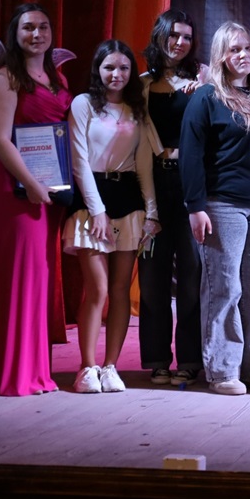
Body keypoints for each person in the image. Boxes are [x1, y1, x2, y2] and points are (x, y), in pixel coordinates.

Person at [180, 22, 250, 396]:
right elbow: (190, 155)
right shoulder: (207, 98)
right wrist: (195, 206)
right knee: (224, 287)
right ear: (221, 56)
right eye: (233, 49)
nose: (242, 54)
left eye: (247, 48)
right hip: (221, 205)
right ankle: (223, 370)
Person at [0, 3, 73, 396]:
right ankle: (11, 373)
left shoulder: (56, 77)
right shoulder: (6, 77)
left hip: (48, 189)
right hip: (16, 189)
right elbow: (0, 139)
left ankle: (33, 370)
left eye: (43, 27)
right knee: (17, 277)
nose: (37, 34)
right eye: (28, 27)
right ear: (15, 33)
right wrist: (31, 184)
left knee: (37, 278)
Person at [62, 40, 158, 394]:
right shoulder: (83, 103)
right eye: (109, 67)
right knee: (98, 288)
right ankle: (86, 367)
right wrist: (97, 210)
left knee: (119, 290)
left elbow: (144, 164)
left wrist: (152, 212)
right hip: (91, 200)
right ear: (98, 70)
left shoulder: (137, 109)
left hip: (128, 200)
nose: (117, 74)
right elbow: (79, 161)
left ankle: (110, 366)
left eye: (124, 68)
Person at [138, 10, 204, 386]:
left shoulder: (201, 80)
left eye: (187, 37)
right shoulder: (142, 84)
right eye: (174, 35)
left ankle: (191, 359)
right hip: (150, 185)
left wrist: (202, 91)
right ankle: (157, 359)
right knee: (152, 277)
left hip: (189, 184)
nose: (180, 43)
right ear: (160, 35)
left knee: (193, 276)